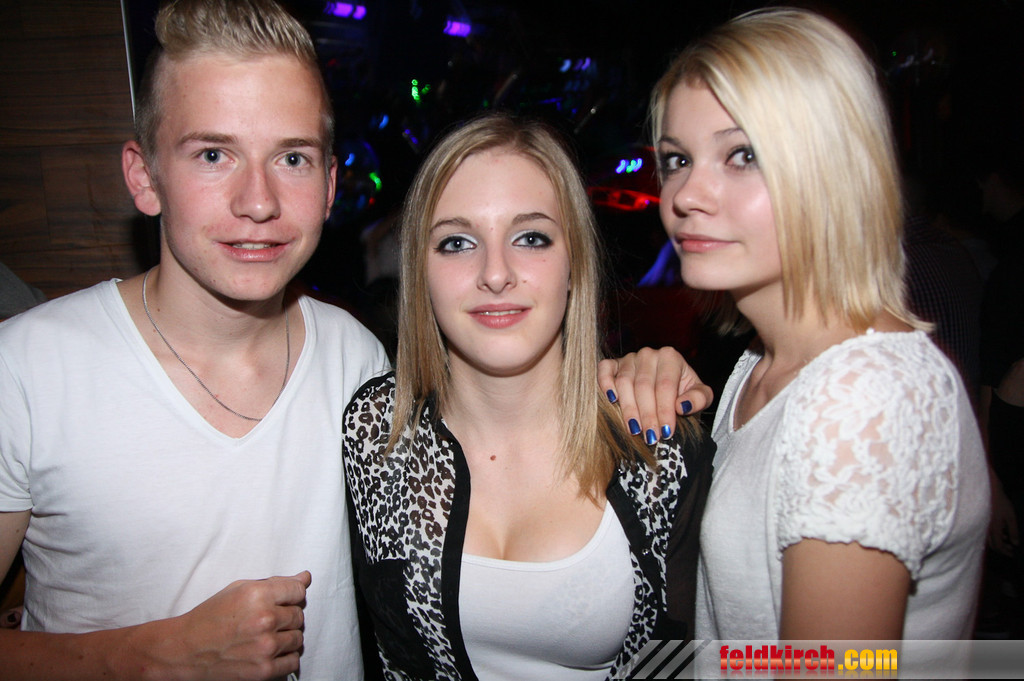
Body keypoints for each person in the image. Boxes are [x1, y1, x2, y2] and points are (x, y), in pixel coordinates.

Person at [0, 2, 705, 678]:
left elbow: (748, 651)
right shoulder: (27, 369)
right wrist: (149, 660)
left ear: (332, 183)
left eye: (293, 158)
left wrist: (638, 375)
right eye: (213, 154)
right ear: (143, 176)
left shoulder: (355, 368)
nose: (258, 200)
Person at [649, 7, 989, 641]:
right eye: (676, 159)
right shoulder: (761, 364)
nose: (686, 194)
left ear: (835, 169)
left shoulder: (863, 395)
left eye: (742, 154)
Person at [342, 112, 714, 680]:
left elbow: (692, 658)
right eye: (457, 242)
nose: (496, 274)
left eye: (531, 238)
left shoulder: (656, 445)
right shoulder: (374, 431)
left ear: (575, 263)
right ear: (420, 271)